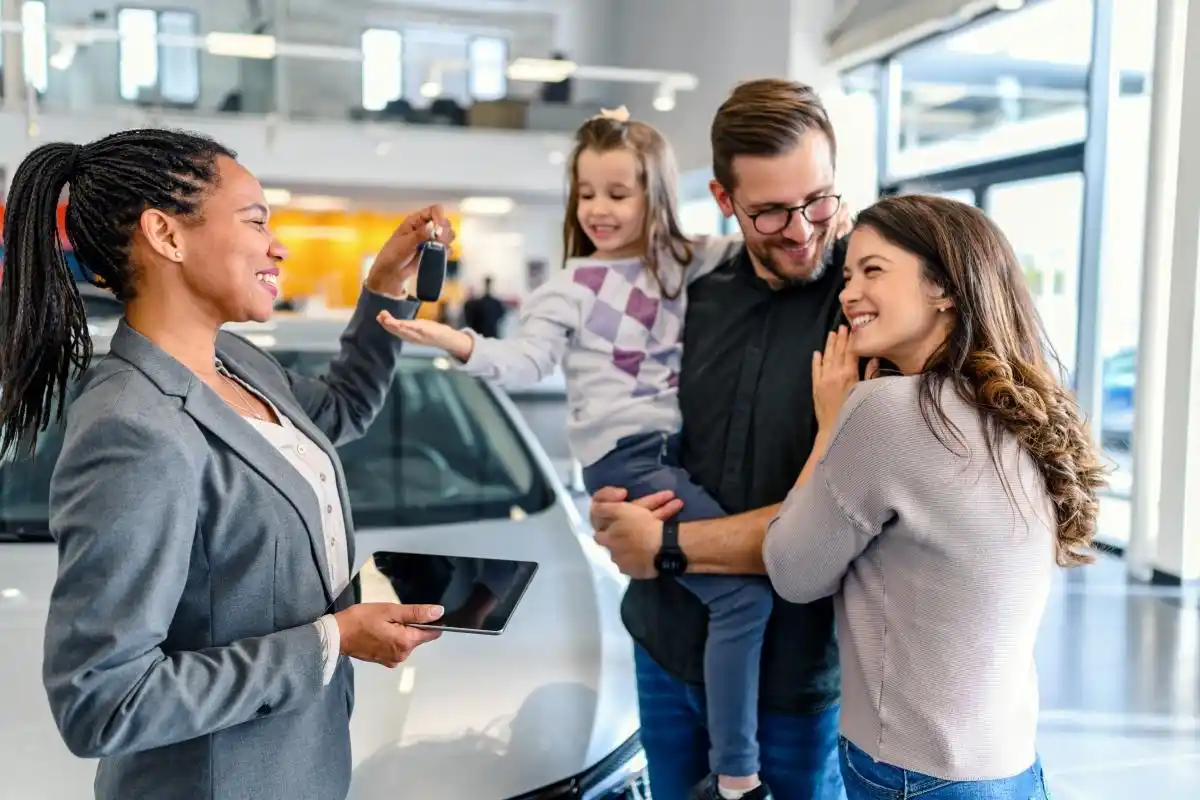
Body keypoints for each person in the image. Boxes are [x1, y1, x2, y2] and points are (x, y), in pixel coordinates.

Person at [0, 129, 454, 800]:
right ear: (166, 235)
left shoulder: (235, 361)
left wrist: (385, 287)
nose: (279, 246)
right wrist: (329, 641)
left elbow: (341, 409)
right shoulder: (133, 428)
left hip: (300, 766)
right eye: (255, 221)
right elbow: (102, 700)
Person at [375, 106, 786, 799]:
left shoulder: (685, 263)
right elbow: (525, 360)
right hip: (626, 459)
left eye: (617, 193)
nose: (598, 208)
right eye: (587, 192)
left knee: (723, 598)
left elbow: (755, 242)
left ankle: (729, 765)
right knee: (742, 599)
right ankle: (737, 778)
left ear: (655, 195)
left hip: (673, 452)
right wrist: (455, 342)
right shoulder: (570, 287)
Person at [761, 195, 1106, 798]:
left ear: (943, 288)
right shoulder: (1020, 410)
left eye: (873, 270)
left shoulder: (884, 410)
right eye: (847, 276)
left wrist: (827, 428)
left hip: (913, 772)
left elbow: (792, 571)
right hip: (1012, 767)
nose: (848, 294)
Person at [589, 78, 854, 800]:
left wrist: (667, 545)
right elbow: (636, 433)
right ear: (723, 198)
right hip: (665, 642)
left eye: (818, 200)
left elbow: (835, 522)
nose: (801, 231)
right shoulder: (685, 296)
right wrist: (617, 510)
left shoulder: (862, 306)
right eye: (769, 212)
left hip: (793, 674)